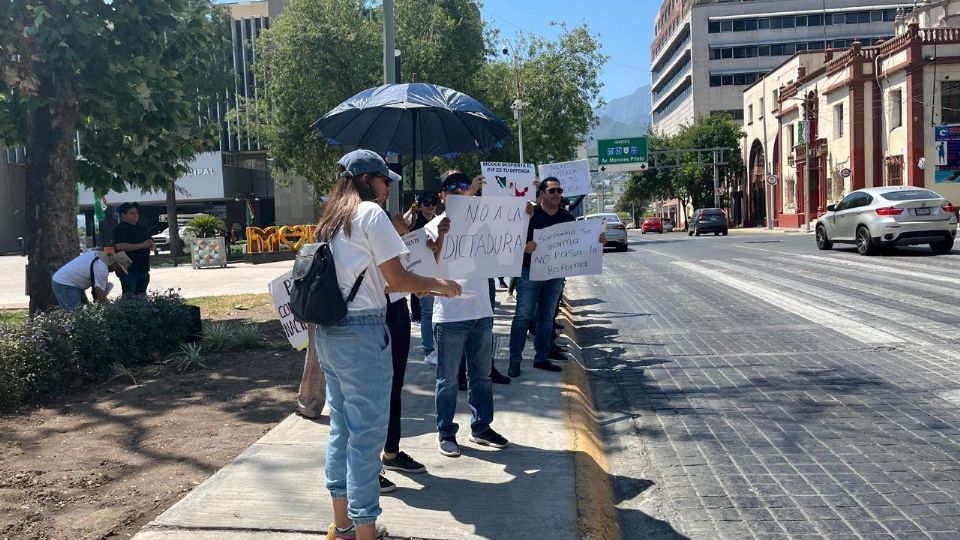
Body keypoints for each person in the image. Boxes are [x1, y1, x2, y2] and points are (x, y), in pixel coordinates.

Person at [315, 149, 461, 540]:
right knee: (366, 437)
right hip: (362, 333)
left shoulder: (331, 219)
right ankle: (365, 532)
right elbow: (396, 280)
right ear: (368, 180)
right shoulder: (370, 215)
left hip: (329, 332)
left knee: (342, 430)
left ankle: (342, 525)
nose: (386, 189)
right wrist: (439, 285)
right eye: (383, 181)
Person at [425, 170, 510, 458]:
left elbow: (504, 249)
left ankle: (481, 427)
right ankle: (446, 433)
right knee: (448, 380)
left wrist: (523, 218)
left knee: (481, 376)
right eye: (452, 187)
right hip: (449, 315)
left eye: (463, 186)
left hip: (481, 311)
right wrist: (443, 237)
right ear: (442, 195)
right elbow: (427, 270)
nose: (460, 191)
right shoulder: (434, 226)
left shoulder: (481, 222)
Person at [508, 177, 604, 377]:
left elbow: (580, 244)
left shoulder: (567, 219)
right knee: (523, 316)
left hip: (554, 275)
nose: (557, 195)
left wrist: (597, 240)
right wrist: (525, 248)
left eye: (560, 191)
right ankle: (514, 360)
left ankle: (542, 357)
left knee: (546, 317)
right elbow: (511, 241)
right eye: (552, 191)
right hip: (529, 273)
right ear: (542, 193)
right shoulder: (530, 215)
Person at [51, 250, 132, 310]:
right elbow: (100, 293)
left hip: (73, 283)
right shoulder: (102, 268)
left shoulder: (100, 256)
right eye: (119, 268)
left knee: (86, 312)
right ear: (115, 262)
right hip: (64, 284)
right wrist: (111, 310)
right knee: (76, 316)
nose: (117, 271)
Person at [112, 202, 154, 296]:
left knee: (142, 296)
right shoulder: (120, 229)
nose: (136, 215)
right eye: (132, 213)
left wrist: (151, 245)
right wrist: (142, 245)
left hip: (143, 269)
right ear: (123, 215)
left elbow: (150, 242)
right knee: (129, 297)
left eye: (136, 212)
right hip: (128, 270)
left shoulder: (142, 228)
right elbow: (119, 246)